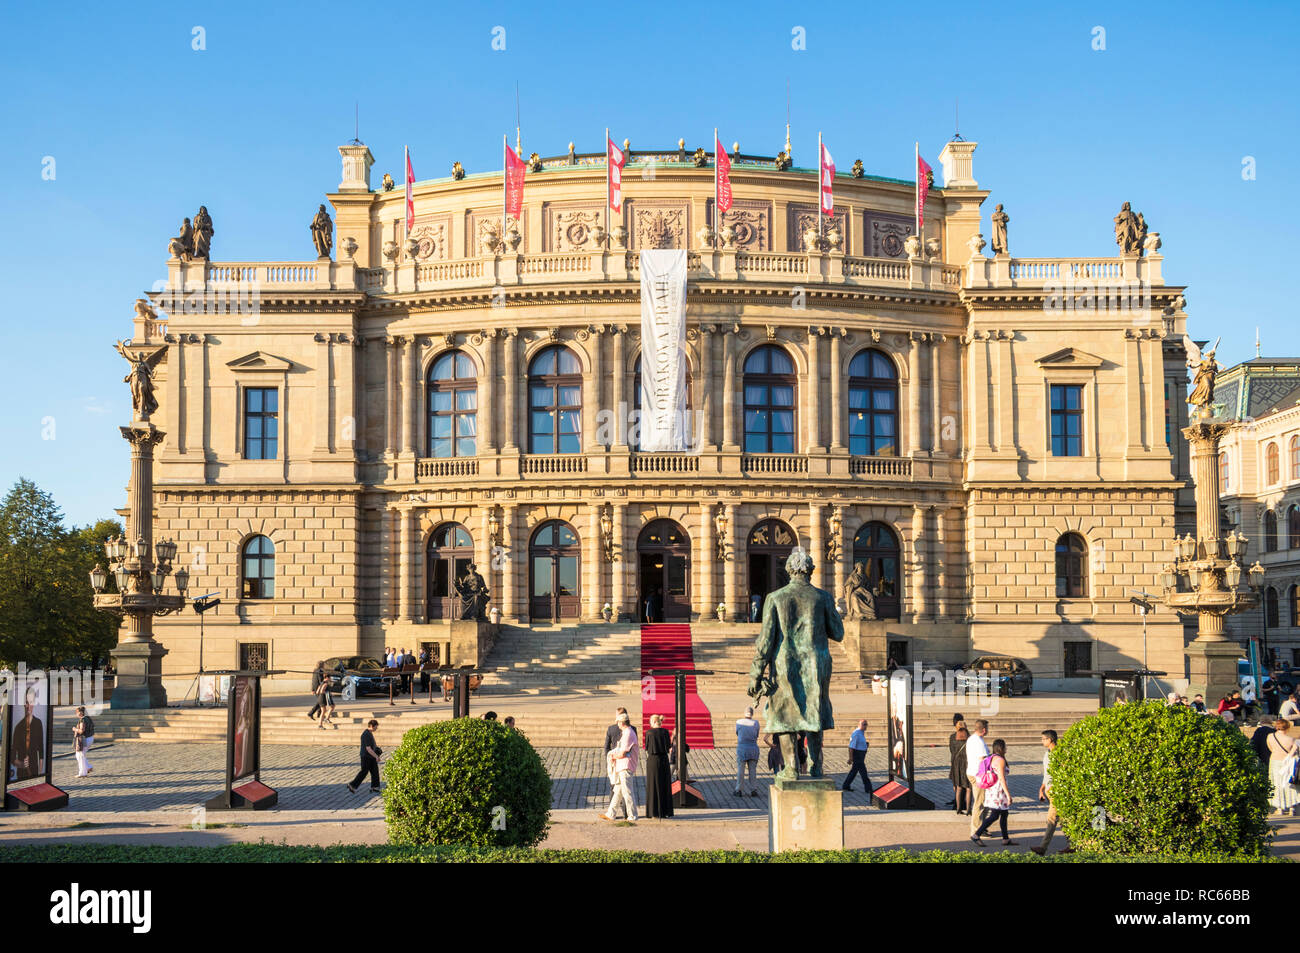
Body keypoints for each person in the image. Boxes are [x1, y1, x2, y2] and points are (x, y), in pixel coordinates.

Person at [971, 739, 1016, 847]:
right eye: (1005, 746)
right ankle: (976, 834)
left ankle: (1006, 839)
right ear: (1002, 748)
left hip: (993, 790)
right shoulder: (1000, 760)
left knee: (1004, 814)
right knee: (995, 815)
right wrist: (1008, 795)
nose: (1006, 748)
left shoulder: (992, 757)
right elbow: (1001, 778)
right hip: (999, 792)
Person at [1031, 730, 1070, 855]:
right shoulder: (1047, 754)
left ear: (1050, 740)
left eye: (1044, 739)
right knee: (1063, 819)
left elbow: (1064, 772)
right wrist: (1042, 789)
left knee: (1051, 818)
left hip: (1056, 791)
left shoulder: (1060, 754)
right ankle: (1074, 844)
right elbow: (1046, 774)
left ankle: (1043, 847)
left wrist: (1056, 787)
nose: (1042, 741)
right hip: (1049, 791)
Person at [603, 712, 639, 822]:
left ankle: (632, 815)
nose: (617, 724)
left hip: (625, 765)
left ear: (622, 722)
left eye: (618, 722)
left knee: (627, 792)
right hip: (622, 765)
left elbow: (623, 753)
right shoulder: (626, 732)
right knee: (617, 790)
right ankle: (611, 813)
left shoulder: (628, 733)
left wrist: (613, 756)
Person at [964, 719, 991, 837]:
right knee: (980, 802)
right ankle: (976, 830)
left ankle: (981, 827)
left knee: (982, 801)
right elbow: (983, 760)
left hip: (972, 772)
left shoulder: (972, 739)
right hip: (979, 775)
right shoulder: (979, 742)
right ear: (984, 730)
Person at [1266, 718, 1299, 815]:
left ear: (1277, 726)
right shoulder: (1291, 739)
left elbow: (1270, 748)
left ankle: (1279, 808)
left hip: (1275, 761)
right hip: (1287, 763)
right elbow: (1293, 753)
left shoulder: (1270, 736)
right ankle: (1292, 808)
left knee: (1276, 784)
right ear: (1287, 727)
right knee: (1289, 784)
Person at [643, 713, 673, 818]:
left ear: (654, 722)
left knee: (653, 785)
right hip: (664, 759)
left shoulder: (649, 733)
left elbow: (647, 747)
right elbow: (668, 746)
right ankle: (665, 811)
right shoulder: (665, 732)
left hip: (652, 760)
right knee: (664, 784)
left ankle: (653, 811)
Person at [347, 720, 382, 794]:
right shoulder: (366, 734)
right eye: (376, 727)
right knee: (364, 772)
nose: (376, 728)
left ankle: (375, 787)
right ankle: (352, 785)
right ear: (372, 726)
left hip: (370, 756)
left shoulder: (369, 733)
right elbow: (368, 749)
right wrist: (376, 756)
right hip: (366, 757)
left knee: (375, 771)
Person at [735, 706, 761, 797]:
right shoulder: (756, 723)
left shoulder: (739, 722)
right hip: (753, 748)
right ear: (752, 714)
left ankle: (739, 790)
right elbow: (757, 735)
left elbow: (737, 733)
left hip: (742, 748)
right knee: (752, 770)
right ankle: (754, 789)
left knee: (741, 771)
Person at [842, 718, 873, 795]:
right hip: (858, 755)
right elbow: (851, 747)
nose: (866, 726)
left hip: (861, 754)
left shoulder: (861, 732)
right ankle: (868, 788)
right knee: (863, 772)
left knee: (854, 771)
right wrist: (850, 758)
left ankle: (846, 785)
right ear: (859, 725)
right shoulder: (856, 733)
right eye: (864, 724)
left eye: (866, 724)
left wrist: (865, 744)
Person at [950, 718, 971, 815]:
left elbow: (952, 750)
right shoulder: (969, 738)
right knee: (968, 787)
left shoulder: (953, 737)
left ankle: (958, 808)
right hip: (967, 763)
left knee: (958, 787)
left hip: (956, 764)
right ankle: (968, 809)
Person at [72, 705, 95, 778]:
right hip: (90, 738)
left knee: (79, 755)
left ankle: (82, 772)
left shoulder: (82, 720)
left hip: (84, 739)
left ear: (80, 713)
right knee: (81, 754)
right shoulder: (88, 718)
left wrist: (75, 729)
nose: (76, 714)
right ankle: (88, 767)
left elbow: (81, 731)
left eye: (77, 712)